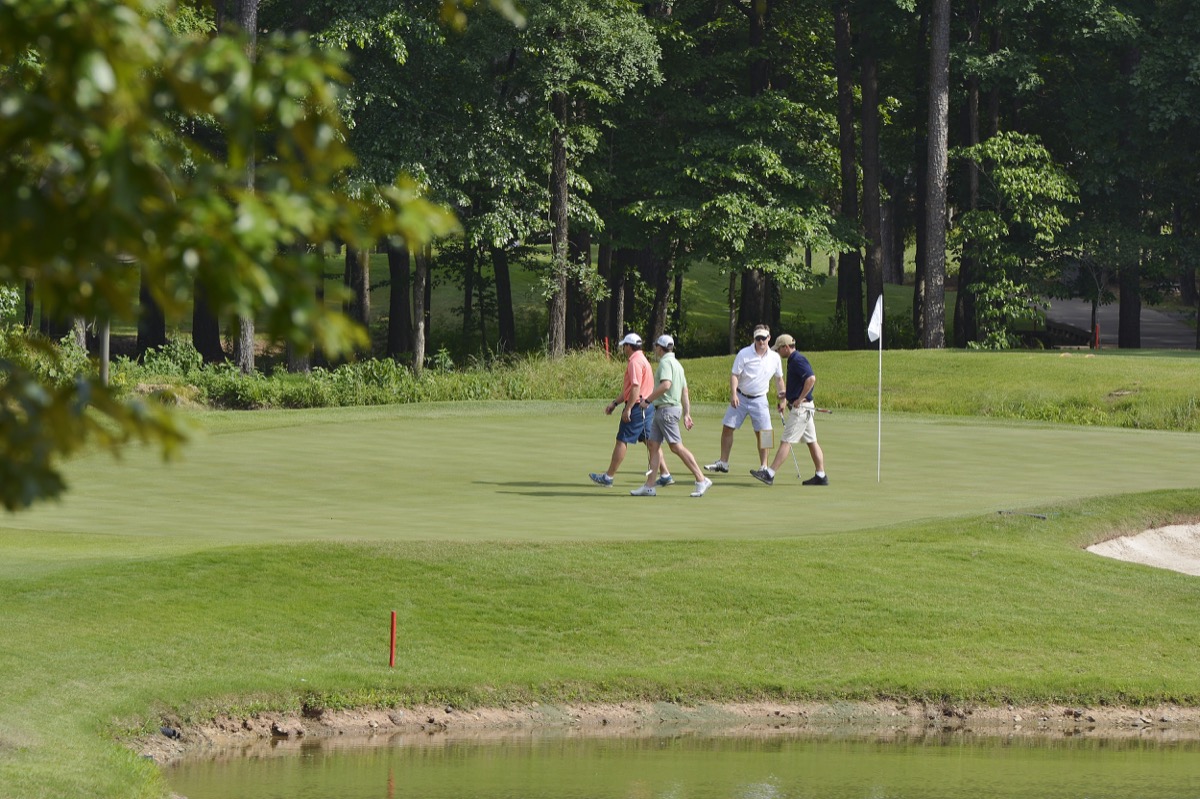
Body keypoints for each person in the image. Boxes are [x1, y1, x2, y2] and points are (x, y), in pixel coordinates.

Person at [630, 335, 712, 497]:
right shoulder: (677, 364)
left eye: (656, 346)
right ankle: (649, 486)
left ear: (660, 348)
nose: (655, 349)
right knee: (653, 445)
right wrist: (687, 413)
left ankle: (701, 479)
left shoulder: (665, 363)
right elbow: (684, 391)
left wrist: (648, 400)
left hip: (667, 410)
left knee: (676, 447)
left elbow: (666, 384)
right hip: (665, 410)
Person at [589, 332, 670, 487]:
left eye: (624, 346)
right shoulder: (643, 359)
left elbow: (635, 388)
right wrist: (615, 403)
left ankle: (608, 477)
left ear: (629, 346)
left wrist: (628, 409)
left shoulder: (634, 362)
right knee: (651, 442)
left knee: (622, 440)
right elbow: (629, 390)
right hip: (647, 407)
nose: (624, 348)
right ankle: (665, 474)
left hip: (637, 407)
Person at [703, 324, 785, 474]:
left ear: (769, 338)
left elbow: (779, 379)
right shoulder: (744, 353)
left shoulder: (775, 358)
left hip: (760, 399)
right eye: (758, 338)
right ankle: (723, 462)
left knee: (765, 433)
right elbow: (735, 375)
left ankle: (764, 466)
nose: (761, 341)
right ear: (754, 339)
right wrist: (733, 393)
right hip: (741, 396)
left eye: (763, 338)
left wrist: (783, 399)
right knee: (728, 427)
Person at [750, 334, 828, 486]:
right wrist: (788, 394)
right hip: (805, 408)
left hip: (801, 409)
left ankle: (769, 474)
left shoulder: (798, 360)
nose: (778, 352)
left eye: (779, 349)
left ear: (786, 347)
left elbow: (811, 379)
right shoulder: (793, 360)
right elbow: (800, 383)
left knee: (786, 441)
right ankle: (821, 475)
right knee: (812, 441)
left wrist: (799, 398)